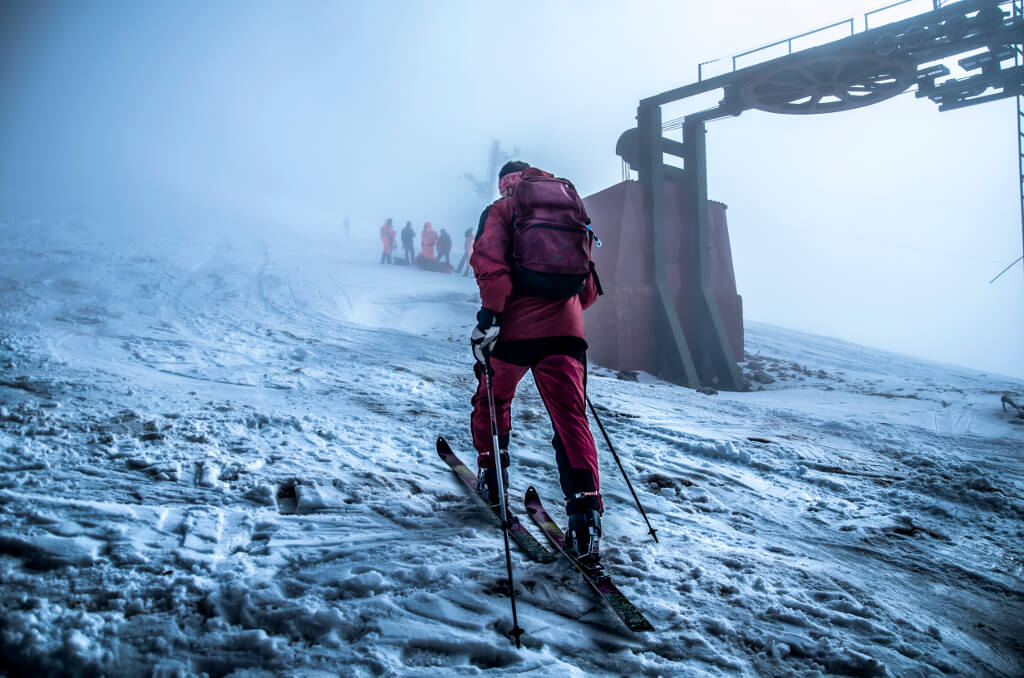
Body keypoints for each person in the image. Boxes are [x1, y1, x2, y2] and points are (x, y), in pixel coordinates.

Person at [468, 160, 603, 560]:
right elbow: (589, 289)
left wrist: (489, 318)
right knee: (570, 418)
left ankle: (492, 476)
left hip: (514, 330)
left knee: (493, 399)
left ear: (504, 184)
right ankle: (586, 515)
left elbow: (490, 267)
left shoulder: (502, 210)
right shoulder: (570, 208)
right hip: (567, 333)